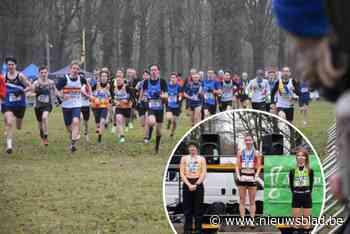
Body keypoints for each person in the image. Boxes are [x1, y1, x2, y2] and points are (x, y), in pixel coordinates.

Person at [2, 57, 31, 154]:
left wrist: (21, 91)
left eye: (12, 65)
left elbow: (30, 87)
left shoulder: (20, 76)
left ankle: (13, 124)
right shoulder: (4, 77)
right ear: (6, 65)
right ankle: (9, 146)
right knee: (10, 123)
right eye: (8, 64)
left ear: (15, 65)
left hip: (20, 105)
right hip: (8, 104)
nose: (10, 66)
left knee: (18, 126)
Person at [56, 60, 87, 153]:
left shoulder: (81, 79)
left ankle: (73, 145)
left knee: (76, 121)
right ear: (70, 69)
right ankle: (74, 136)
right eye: (74, 68)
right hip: (66, 106)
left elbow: (87, 86)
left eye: (77, 69)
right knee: (69, 126)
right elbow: (56, 90)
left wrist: (87, 94)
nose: (75, 70)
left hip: (77, 105)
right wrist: (62, 95)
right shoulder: (64, 79)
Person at [180, 142, 207, 234]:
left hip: (198, 183)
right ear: (188, 149)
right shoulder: (184, 158)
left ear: (197, 149)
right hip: (187, 183)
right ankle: (188, 229)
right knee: (187, 208)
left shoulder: (201, 159)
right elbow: (182, 173)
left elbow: (203, 173)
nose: (192, 149)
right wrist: (188, 184)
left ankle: (198, 229)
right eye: (190, 148)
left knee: (198, 208)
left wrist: (196, 184)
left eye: (194, 147)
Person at [235, 134, 262, 228]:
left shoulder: (256, 153)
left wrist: (256, 176)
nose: (248, 142)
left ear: (252, 141)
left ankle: (251, 221)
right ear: (244, 141)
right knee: (242, 200)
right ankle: (242, 221)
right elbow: (237, 166)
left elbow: (259, 167)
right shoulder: (240, 152)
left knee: (252, 201)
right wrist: (238, 176)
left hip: (251, 177)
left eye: (249, 140)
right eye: (246, 140)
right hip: (242, 177)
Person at [140, 64, 168, 153]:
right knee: (151, 121)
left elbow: (166, 95)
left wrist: (161, 96)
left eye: (155, 70)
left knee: (159, 131)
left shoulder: (162, 81)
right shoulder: (146, 82)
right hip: (151, 106)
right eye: (152, 70)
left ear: (158, 71)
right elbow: (142, 94)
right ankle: (149, 134)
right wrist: (143, 99)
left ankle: (156, 146)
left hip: (160, 108)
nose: (153, 71)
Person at [289, 147, 314, 230]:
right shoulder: (292, 170)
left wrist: (307, 192)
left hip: (306, 195)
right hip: (296, 195)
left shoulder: (310, 170)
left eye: (303, 156)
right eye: (298, 156)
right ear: (296, 157)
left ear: (306, 157)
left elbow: (311, 185)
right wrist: (295, 192)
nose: (300, 157)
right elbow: (291, 185)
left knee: (306, 224)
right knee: (295, 224)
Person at [32, 66, 57, 146]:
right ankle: (42, 136)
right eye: (41, 73)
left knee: (44, 117)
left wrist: (62, 96)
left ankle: (46, 135)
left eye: (45, 72)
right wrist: (35, 93)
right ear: (39, 74)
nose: (43, 74)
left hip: (47, 105)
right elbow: (30, 93)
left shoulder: (51, 82)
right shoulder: (36, 83)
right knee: (40, 124)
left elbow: (56, 92)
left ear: (47, 73)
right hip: (38, 106)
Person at [91, 71, 111, 143]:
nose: (104, 77)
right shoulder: (96, 84)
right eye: (102, 76)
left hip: (104, 106)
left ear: (107, 78)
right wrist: (94, 98)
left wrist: (110, 101)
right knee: (98, 123)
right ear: (100, 77)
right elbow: (90, 92)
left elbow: (111, 95)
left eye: (105, 76)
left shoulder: (109, 85)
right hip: (95, 106)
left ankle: (99, 138)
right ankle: (100, 127)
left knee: (102, 121)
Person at [113, 72, 133, 143]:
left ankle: (126, 127)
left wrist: (127, 100)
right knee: (118, 119)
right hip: (119, 107)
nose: (118, 82)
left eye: (120, 80)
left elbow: (131, 96)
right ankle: (122, 137)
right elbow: (112, 97)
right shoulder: (114, 88)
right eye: (117, 80)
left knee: (125, 122)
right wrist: (114, 102)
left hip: (127, 108)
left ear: (122, 80)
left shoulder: (126, 87)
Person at [165, 72, 183, 138]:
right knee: (170, 117)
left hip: (177, 106)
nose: (173, 79)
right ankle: (169, 121)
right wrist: (165, 97)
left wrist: (179, 98)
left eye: (174, 77)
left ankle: (172, 133)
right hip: (169, 105)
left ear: (176, 78)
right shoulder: (167, 86)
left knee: (175, 122)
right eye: (172, 77)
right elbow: (164, 94)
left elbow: (181, 95)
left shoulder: (179, 87)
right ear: (170, 78)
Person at [136, 70, 150, 142]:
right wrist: (138, 100)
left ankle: (146, 137)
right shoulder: (140, 83)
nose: (145, 76)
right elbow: (135, 92)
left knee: (147, 120)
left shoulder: (151, 83)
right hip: (141, 103)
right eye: (144, 75)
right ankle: (148, 131)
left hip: (149, 103)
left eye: (147, 75)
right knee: (142, 123)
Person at [80, 72, 92, 141]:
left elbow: (89, 95)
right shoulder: (75, 85)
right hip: (78, 105)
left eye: (82, 77)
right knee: (80, 117)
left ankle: (86, 134)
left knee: (86, 122)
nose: (81, 78)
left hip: (86, 105)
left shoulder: (86, 86)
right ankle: (77, 133)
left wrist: (88, 95)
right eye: (80, 77)